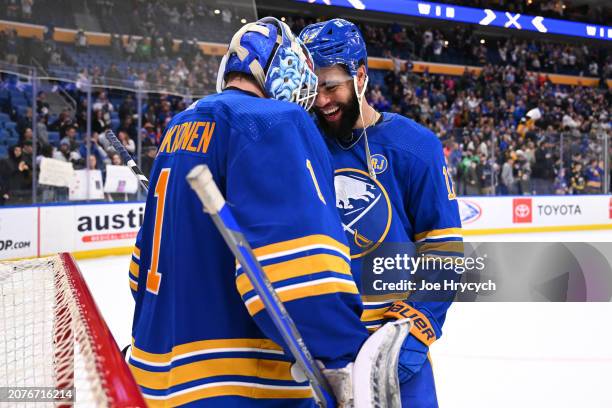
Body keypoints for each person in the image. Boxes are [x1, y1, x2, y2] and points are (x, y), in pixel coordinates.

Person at [128, 17, 368, 407]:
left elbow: (141, 274)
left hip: (153, 380)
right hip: (237, 388)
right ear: (288, 71)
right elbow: (303, 277)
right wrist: (346, 355)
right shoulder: (275, 120)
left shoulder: (179, 126)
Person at [301, 19, 462, 407]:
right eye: (312, 89)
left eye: (331, 86)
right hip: (317, 353)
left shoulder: (415, 147)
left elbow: (445, 254)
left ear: (360, 77)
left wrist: (415, 330)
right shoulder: (298, 145)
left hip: (391, 348)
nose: (322, 101)